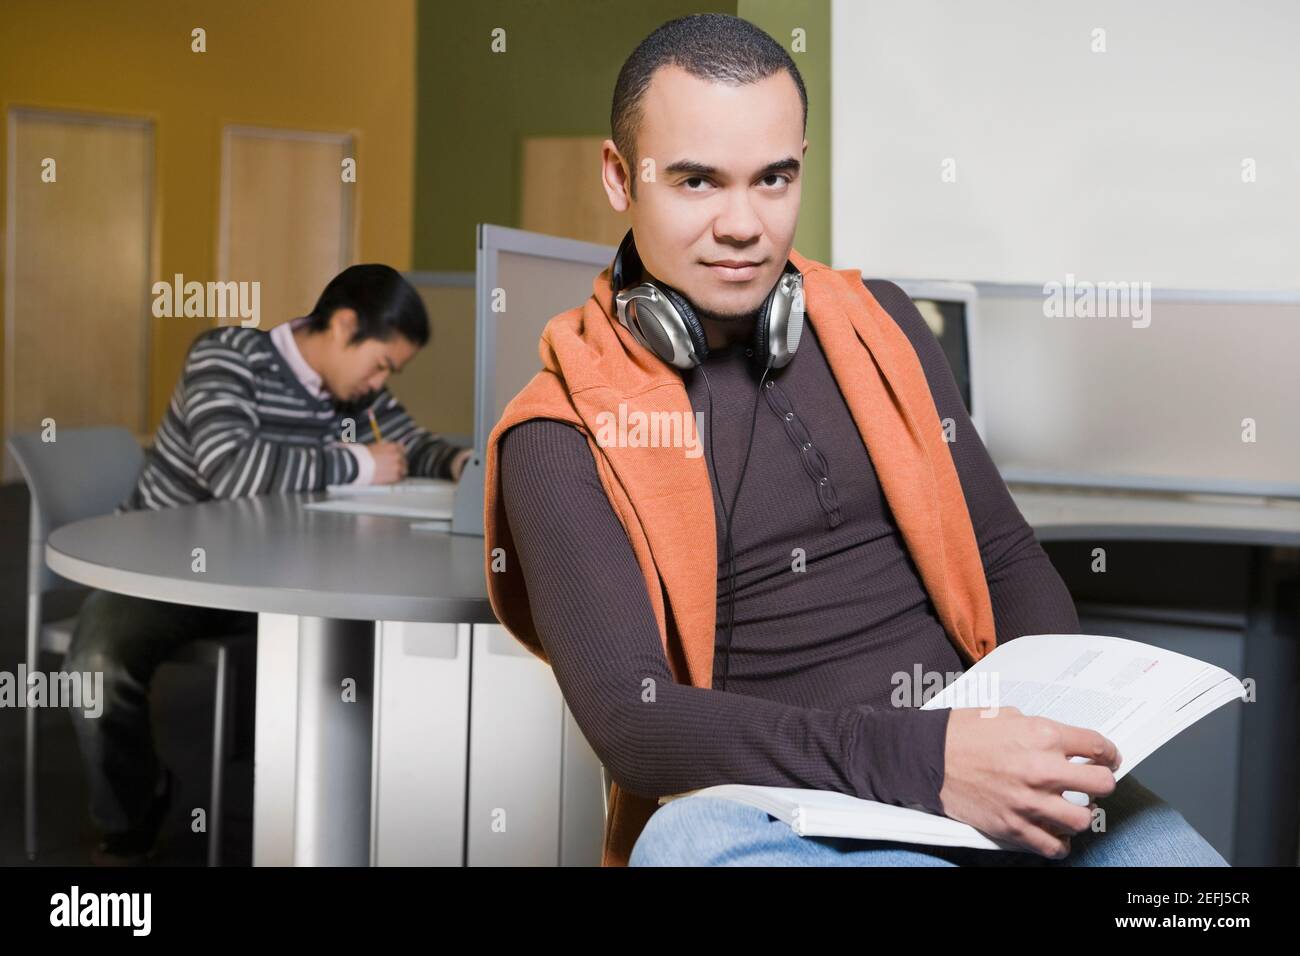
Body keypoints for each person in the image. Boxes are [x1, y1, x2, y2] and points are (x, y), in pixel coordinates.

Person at [491, 14, 1226, 866]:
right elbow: (635, 720)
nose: (742, 224)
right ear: (622, 178)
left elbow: (1006, 556)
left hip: (979, 758)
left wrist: (1031, 726)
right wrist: (927, 762)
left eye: (773, 178)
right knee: (680, 843)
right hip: (778, 811)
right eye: (697, 182)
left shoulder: (882, 324)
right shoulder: (557, 432)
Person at [65, 263, 472, 865]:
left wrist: (460, 460)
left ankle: (296, 814)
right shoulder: (227, 356)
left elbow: (410, 444)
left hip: (272, 581)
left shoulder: (351, 396)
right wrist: (358, 464)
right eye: (382, 363)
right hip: (167, 573)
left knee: (355, 643)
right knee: (97, 663)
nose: (380, 381)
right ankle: (134, 810)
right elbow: (234, 471)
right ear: (343, 325)